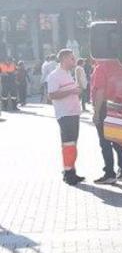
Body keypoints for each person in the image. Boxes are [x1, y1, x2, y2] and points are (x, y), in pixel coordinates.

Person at [90, 58, 122, 184]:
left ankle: (109, 173)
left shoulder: (101, 67)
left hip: (104, 106)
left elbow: (100, 91)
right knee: (118, 141)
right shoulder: (121, 64)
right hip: (119, 105)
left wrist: (96, 113)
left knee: (105, 141)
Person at [46, 49, 84, 185]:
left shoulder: (68, 74)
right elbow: (51, 95)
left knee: (72, 144)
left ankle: (71, 170)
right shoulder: (54, 76)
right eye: (71, 58)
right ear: (64, 59)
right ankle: (69, 174)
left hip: (74, 113)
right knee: (68, 144)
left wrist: (76, 91)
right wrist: (72, 91)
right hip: (65, 114)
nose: (74, 61)